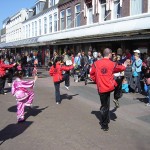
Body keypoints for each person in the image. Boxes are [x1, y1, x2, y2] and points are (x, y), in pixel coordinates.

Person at [90, 48, 126, 131]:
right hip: (110, 86)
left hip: (101, 87)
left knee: (104, 106)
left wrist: (97, 81)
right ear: (109, 54)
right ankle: (117, 96)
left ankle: (104, 125)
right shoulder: (112, 63)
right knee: (119, 79)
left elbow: (92, 74)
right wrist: (124, 66)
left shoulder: (96, 63)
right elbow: (120, 68)